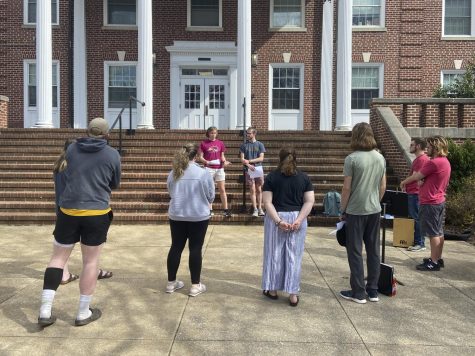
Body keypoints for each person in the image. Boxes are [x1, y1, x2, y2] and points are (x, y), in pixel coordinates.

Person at [38, 117, 121, 327]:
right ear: (106, 134)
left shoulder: (72, 149)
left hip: (68, 211)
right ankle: (83, 312)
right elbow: (115, 183)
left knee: (57, 259)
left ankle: (45, 310)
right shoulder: (112, 154)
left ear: (87, 131)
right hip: (97, 212)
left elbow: (65, 172)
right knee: (90, 262)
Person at [53, 138, 114, 285]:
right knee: (90, 249)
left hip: (62, 208)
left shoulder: (59, 165)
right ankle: (93, 271)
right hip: (80, 208)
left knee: (61, 250)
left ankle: (64, 274)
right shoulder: (73, 167)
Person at [339, 123, 386, 304]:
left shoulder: (352, 159)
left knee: (355, 251)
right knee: (374, 250)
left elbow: (346, 188)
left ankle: (358, 292)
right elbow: (382, 186)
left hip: (355, 210)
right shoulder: (380, 158)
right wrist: (376, 201)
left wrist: (343, 209)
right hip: (374, 209)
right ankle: (373, 290)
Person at [261, 148, 314, 306]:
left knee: (274, 254)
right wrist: (299, 219)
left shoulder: (272, 177)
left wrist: (278, 221)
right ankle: (293, 294)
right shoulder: (304, 177)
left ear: (280, 158)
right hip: (297, 217)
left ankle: (273, 290)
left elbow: (267, 202)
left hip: (277, 217)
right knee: (294, 257)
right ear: (296, 158)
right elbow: (309, 201)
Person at [166, 143, 215, 297]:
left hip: (177, 213)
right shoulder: (203, 173)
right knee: (195, 248)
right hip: (198, 215)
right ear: (196, 156)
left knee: (176, 247)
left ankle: (171, 283)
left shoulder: (174, 172)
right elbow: (211, 195)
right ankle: (195, 285)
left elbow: (170, 191)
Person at [400, 135, 451, 271]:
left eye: (428, 147)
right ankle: (437, 258)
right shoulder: (445, 161)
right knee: (439, 232)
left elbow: (417, 176)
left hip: (430, 202)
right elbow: (428, 179)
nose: (426, 149)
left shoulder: (433, 162)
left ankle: (433, 262)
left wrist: (407, 182)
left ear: (435, 148)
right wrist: (423, 182)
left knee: (433, 233)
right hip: (439, 200)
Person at [400, 138, 429, 252]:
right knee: (415, 218)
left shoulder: (421, 159)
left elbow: (415, 176)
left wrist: (403, 182)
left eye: (412, 144)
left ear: (417, 146)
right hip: (413, 192)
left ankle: (420, 243)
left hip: (416, 193)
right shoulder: (418, 159)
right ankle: (418, 241)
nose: (410, 146)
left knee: (416, 218)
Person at [198, 126, 232, 217]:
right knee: (210, 189)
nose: (213, 135)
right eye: (212, 133)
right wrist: (206, 162)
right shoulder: (203, 143)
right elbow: (200, 157)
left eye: (215, 133)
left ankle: (225, 209)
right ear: (208, 133)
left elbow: (222, 156)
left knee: (222, 189)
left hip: (219, 168)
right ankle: (209, 209)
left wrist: (224, 162)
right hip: (209, 168)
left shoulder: (220, 143)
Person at [239, 127, 266, 217]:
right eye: (247, 133)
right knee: (252, 189)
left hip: (258, 169)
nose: (247, 135)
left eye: (249, 133)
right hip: (249, 170)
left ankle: (260, 208)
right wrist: (248, 165)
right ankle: (254, 209)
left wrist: (249, 161)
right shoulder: (244, 145)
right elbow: (242, 159)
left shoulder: (260, 144)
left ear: (254, 134)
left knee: (259, 189)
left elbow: (261, 158)